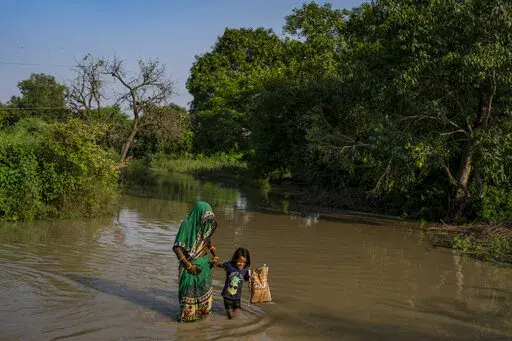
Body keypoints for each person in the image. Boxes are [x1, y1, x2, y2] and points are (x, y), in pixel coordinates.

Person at [173, 201, 220, 322]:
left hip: (203, 265)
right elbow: (177, 247)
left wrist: (214, 255)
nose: (208, 222)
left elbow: (207, 239)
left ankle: (202, 323)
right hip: (189, 264)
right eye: (206, 218)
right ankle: (186, 324)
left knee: (204, 294)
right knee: (188, 297)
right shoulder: (187, 224)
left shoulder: (206, 225)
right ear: (199, 214)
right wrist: (189, 266)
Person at [216, 247, 251, 319]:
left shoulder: (245, 269)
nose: (241, 264)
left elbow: (247, 279)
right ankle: (229, 326)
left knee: (237, 314)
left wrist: (253, 276)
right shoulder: (230, 266)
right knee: (231, 316)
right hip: (227, 296)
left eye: (244, 262)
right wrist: (215, 263)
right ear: (235, 260)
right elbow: (221, 265)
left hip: (237, 297)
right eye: (239, 261)